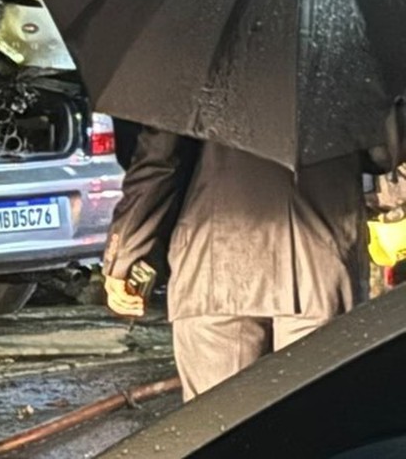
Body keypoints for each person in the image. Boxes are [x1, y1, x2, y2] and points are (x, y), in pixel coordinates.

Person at [103, 126, 371, 402]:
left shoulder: (198, 81)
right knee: (317, 425)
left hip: (217, 263)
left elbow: (160, 157)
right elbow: (383, 152)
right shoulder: (345, 83)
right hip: (320, 261)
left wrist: (125, 252)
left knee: (219, 427)